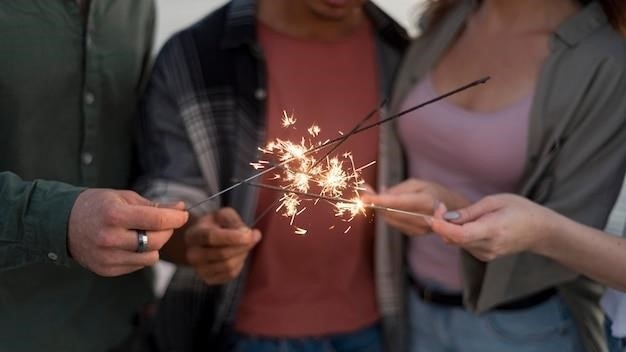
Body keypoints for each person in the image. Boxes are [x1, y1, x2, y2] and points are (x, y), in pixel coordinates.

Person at [135, 0, 409, 351]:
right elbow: (162, 196)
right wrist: (196, 240)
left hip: (378, 329)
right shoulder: (196, 58)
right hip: (238, 332)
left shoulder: (400, 52)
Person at [361, 0, 626, 351]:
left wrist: (461, 210)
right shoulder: (447, 19)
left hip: (521, 328)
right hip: (411, 309)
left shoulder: (603, 60)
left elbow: (572, 234)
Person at [0, 1, 188, 351]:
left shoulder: (135, 8)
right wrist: (61, 222)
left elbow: (131, 150)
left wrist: (187, 233)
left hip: (124, 326)